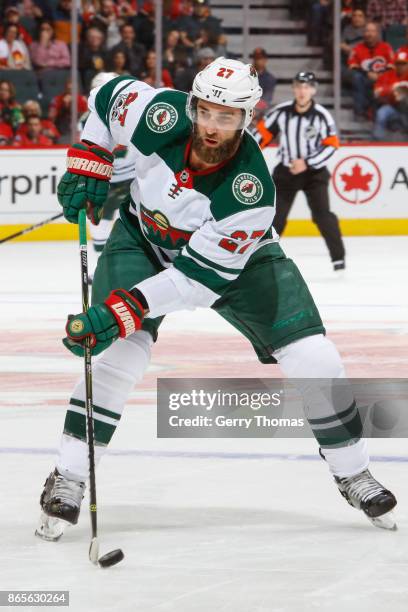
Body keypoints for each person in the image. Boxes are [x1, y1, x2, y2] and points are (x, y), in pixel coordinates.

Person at [35, 58, 397, 542]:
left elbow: (194, 283)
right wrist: (91, 156)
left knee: (315, 356)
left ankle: (353, 471)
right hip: (141, 238)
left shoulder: (251, 193)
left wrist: (125, 308)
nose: (212, 126)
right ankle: (70, 476)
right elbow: (105, 98)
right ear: (192, 104)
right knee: (118, 352)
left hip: (240, 261)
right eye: (206, 111)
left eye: (228, 117)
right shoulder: (158, 112)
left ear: (248, 119)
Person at [254, 71, 345, 272]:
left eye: (306, 87)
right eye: (298, 86)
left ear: (313, 90)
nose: (302, 91)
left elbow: (331, 145)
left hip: (314, 174)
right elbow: (260, 136)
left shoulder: (322, 115)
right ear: (294, 89)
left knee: (323, 215)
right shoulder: (281, 112)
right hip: (286, 172)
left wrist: (308, 163)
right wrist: (246, 155)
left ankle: (339, 260)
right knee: (274, 217)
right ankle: (262, 258)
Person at [348, 22, 394, 119]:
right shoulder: (357, 48)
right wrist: (367, 73)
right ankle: (359, 113)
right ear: (364, 33)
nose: (369, 34)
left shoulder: (386, 47)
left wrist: (381, 75)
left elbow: (392, 65)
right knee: (357, 77)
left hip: (384, 79)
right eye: (367, 31)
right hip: (364, 78)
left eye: (372, 31)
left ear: (377, 33)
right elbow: (352, 66)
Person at [373, 50, 408, 140]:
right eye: (398, 64)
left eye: (403, 64)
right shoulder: (386, 76)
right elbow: (377, 92)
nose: (400, 66)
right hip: (392, 106)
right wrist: (391, 89)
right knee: (381, 113)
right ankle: (378, 141)